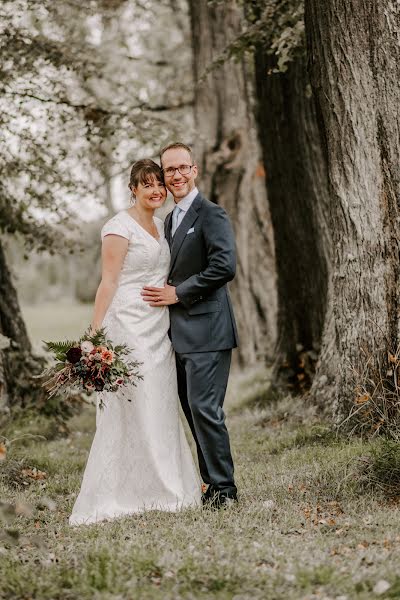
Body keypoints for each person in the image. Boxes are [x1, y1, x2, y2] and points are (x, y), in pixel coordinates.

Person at [69, 159, 201, 526]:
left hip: (159, 326)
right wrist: (94, 335)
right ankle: (123, 491)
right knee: (135, 402)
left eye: (159, 183)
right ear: (133, 189)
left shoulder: (162, 225)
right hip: (127, 324)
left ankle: (166, 484)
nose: (157, 189)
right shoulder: (118, 227)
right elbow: (108, 281)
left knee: (159, 401)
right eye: (148, 185)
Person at [142, 143, 239, 508]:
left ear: (195, 170)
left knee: (205, 410)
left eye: (183, 168)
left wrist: (178, 294)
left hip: (208, 331)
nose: (177, 175)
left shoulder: (211, 214)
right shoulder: (169, 220)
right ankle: (211, 485)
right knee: (192, 411)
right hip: (178, 335)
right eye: (170, 170)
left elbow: (223, 267)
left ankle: (225, 492)